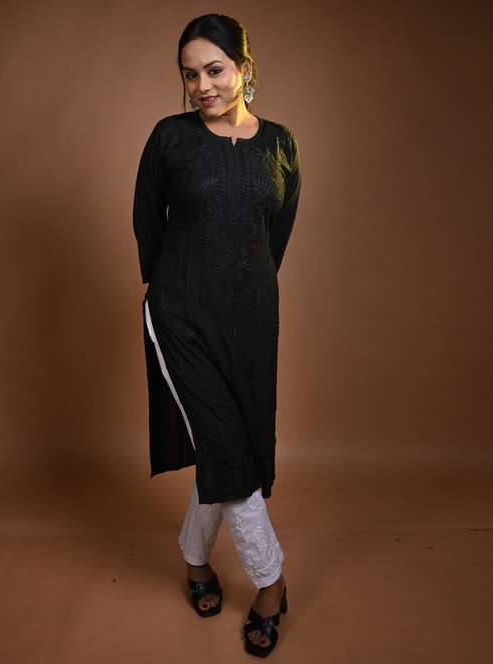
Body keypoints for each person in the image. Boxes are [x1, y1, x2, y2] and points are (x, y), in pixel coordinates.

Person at [133, 13, 301, 657]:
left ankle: (195, 558)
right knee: (227, 445)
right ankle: (271, 582)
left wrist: (243, 292)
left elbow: (273, 236)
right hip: (179, 315)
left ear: (244, 69)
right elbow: (146, 221)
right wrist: (177, 289)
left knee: (237, 443)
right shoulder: (170, 138)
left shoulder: (280, 143)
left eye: (214, 70)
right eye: (189, 74)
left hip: (252, 321)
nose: (201, 85)